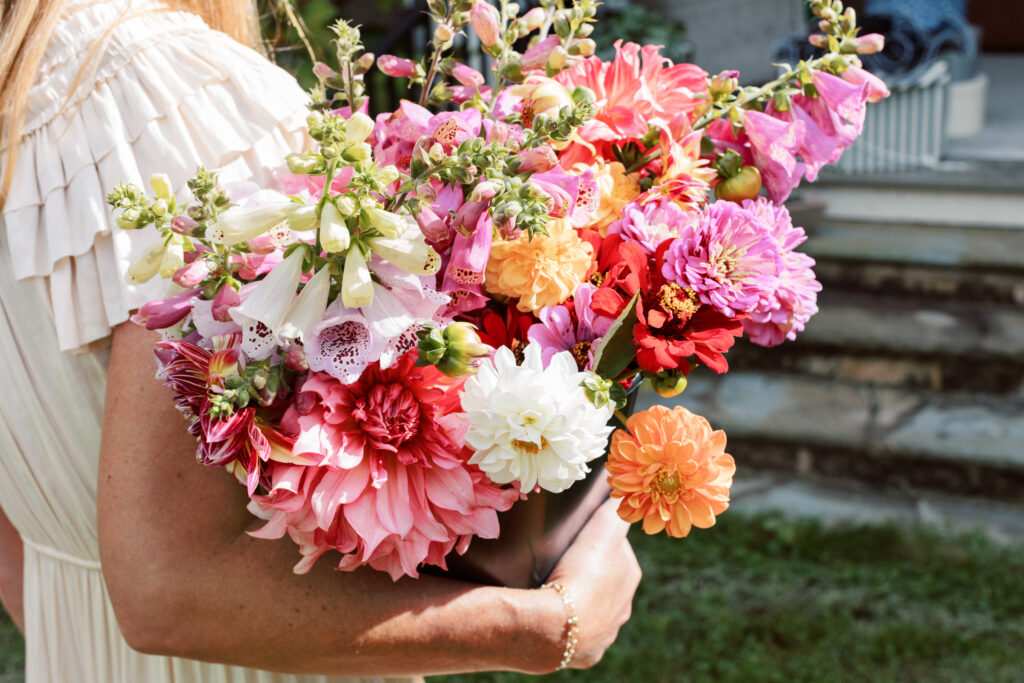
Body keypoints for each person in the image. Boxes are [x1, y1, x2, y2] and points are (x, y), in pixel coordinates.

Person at [0, 0, 642, 681]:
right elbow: (169, 589)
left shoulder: (24, 80)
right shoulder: (167, 91)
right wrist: (538, 630)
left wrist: (66, 621)